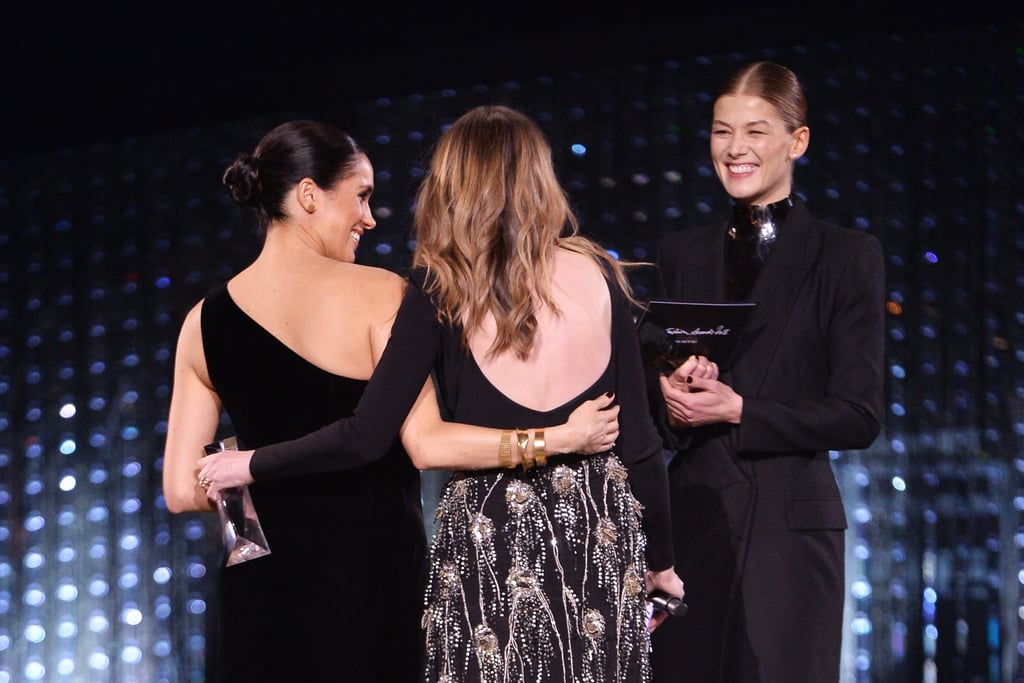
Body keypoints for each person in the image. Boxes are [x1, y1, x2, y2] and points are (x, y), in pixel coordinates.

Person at [197, 105, 685, 682]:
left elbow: (366, 436)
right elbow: (644, 448)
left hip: (489, 542)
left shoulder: (435, 288)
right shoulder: (599, 273)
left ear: (452, 185)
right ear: (539, 177)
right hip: (596, 533)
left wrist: (252, 461)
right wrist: (661, 563)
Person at [647, 61, 885, 682]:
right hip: (693, 521)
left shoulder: (845, 256)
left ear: (797, 141)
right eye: (722, 131)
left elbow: (859, 415)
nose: (735, 149)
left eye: (755, 131)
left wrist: (741, 411)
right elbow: (652, 401)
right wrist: (667, 395)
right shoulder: (681, 253)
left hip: (791, 530)